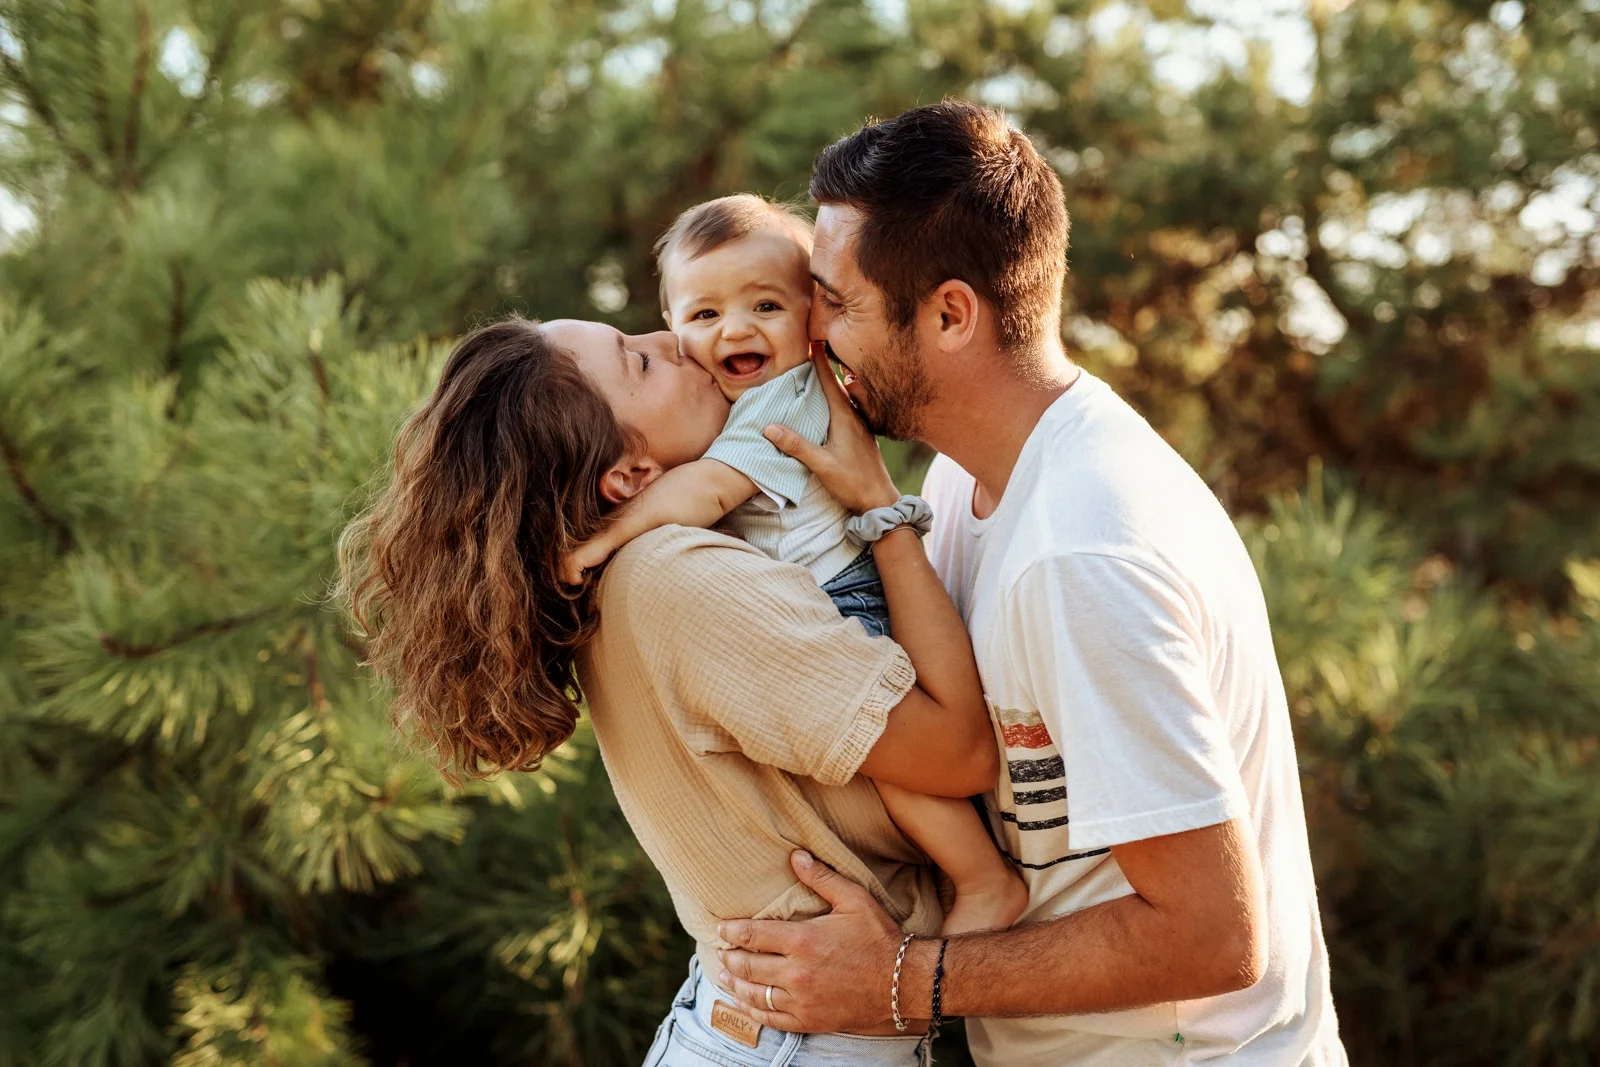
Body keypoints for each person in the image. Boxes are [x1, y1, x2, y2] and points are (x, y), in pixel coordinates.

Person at [713, 100, 1349, 1065]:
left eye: (837, 304)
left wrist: (900, 980)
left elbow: (1212, 934)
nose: (811, 335)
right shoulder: (970, 478)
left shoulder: (1083, 552)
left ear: (951, 313)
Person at [337, 309, 1005, 1066]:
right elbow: (961, 752)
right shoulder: (681, 578)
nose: (674, 343)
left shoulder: (634, 570)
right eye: (640, 362)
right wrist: (881, 510)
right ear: (627, 474)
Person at [563, 193, 1026, 937]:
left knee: (894, 765)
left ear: (813, 314)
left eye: (766, 306)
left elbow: (708, 488)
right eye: (703, 317)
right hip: (818, 590)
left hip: (847, 591)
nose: (734, 330)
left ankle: (983, 879)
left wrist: (599, 538)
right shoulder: (734, 404)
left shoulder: (785, 400)